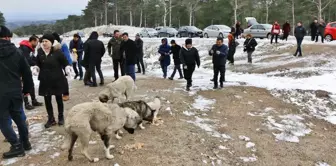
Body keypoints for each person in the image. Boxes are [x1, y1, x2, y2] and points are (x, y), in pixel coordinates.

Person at [0, 25, 33, 158]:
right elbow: (27, 73)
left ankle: (16, 146)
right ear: (8, 37)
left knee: (3, 121)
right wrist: (26, 90)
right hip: (15, 91)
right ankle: (25, 143)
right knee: (19, 118)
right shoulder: (17, 52)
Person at [34, 34, 71, 128]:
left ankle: (61, 117)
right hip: (45, 80)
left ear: (51, 42)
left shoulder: (57, 52)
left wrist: (67, 68)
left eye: (46, 41)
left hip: (57, 79)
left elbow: (65, 62)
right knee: (47, 100)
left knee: (59, 99)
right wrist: (36, 68)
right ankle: (51, 119)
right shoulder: (40, 52)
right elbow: (37, 63)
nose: (44, 43)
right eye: (42, 41)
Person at [19, 35, 43, 110]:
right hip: (21, 71)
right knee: (25, 87)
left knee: (31, 85)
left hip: (26, 70)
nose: (37, 43)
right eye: (37, 42)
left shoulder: (30, 49)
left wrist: (39, 61)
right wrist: (35, 64)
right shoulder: (24, 48)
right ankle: (26, 103)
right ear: (32, 41)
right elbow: (27, 60)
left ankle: (34, 100)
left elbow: (33, 58)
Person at [52, 32, 72, 101]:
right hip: (57, 64)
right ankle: (59, 93)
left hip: (64, 64)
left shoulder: (63, 44)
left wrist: (68, 64)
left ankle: (66, 94)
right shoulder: (53, 44)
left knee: (64, 79)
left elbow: (67, 55)